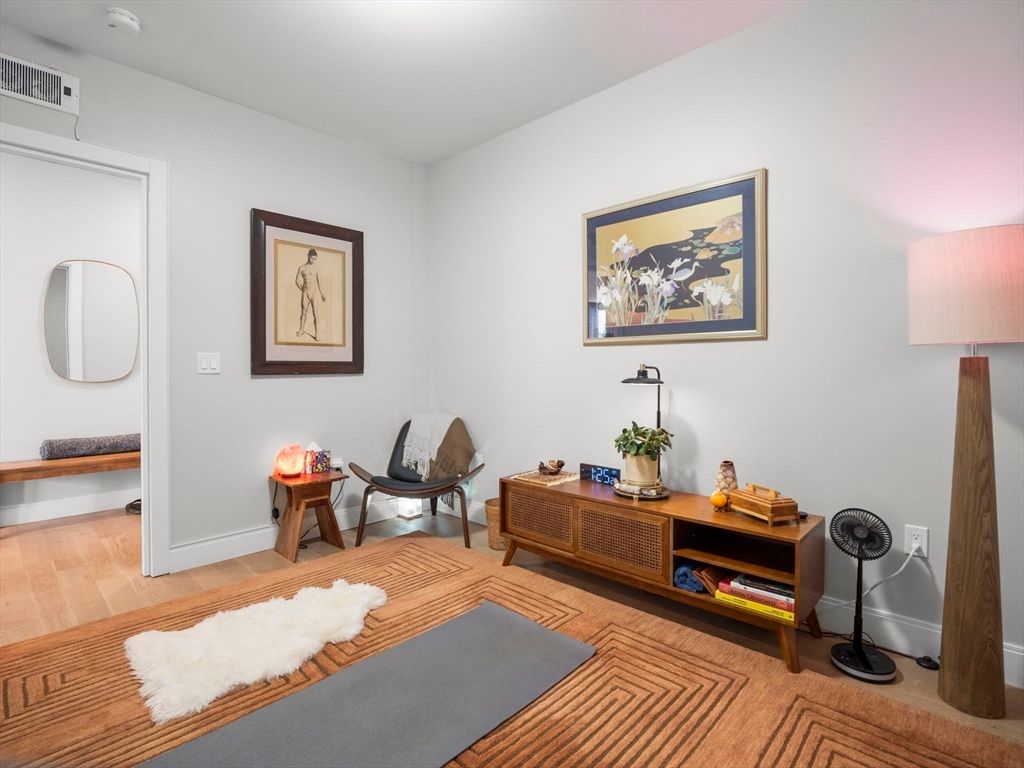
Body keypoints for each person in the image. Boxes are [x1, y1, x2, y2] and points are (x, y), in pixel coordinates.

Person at [295, 248, 326, 340]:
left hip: (314, 293)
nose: (313, 260)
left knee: (316, 314)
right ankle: (301, 330)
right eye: (312, 258)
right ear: (308, 256)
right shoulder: (302, 267)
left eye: (314, 259)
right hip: (305, 292)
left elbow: (320, 282)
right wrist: (303, 289)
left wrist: (322, 294)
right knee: (303, 311)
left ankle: (317, 334)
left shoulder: (317, 268)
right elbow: (297, 280)